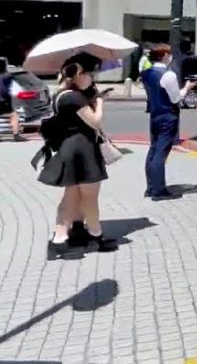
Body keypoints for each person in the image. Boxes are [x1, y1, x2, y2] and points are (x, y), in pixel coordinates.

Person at [38, 55, 118, 259]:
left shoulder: (63, 94)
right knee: (89, 197)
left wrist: (91, 95)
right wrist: (99, 102)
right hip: (82, 151)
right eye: (90, 73)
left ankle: (61, 237)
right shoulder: (73, 97)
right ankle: (95, 235)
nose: (92, 77)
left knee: (72, 196)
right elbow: (95, 122)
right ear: (78, 74)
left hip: (72, 149)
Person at [141, 45, 195, 200]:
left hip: (155, 114)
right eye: (170, 54)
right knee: (161, 152)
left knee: (153, 149)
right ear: (165, 55)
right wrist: (186, 87)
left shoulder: (146, 73)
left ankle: (151, 187)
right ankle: (158, 190)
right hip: (168, 115)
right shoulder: (168, 75)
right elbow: (176, 98)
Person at [1, 62, 26, 142]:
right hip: (3, 100)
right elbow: (5, 89)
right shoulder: (7, 75)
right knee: (13, 115)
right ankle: (16, 135)